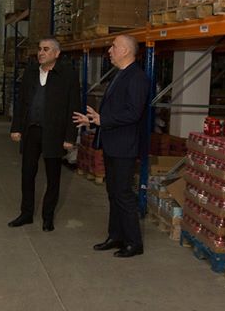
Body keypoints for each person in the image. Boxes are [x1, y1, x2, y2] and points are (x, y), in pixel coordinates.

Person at [73, 34, 150, 257]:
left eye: (114, 46)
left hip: (124, 146)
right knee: (113, 192)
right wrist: (93, 121)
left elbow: (133, 113)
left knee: (123, 193)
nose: (110, 50)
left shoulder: (137, 77)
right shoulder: (121, 74)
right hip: (113, 143)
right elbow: (116, 111)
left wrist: (103, 119)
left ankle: (134, 243)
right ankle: (116, 235)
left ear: (125, 50)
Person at [9, 37, 80, 232]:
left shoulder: (68, 75)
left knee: (53, 177)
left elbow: (73, 107)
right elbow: (21, 102)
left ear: (57, 53)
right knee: (27, 174)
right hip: (31, 131)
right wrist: (16, 127)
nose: (41, 52)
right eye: (40, 49)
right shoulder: (31, 72)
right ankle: (26, 213)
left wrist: (70, 137)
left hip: (54, 133)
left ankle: (48, 217)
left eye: (46, 49)